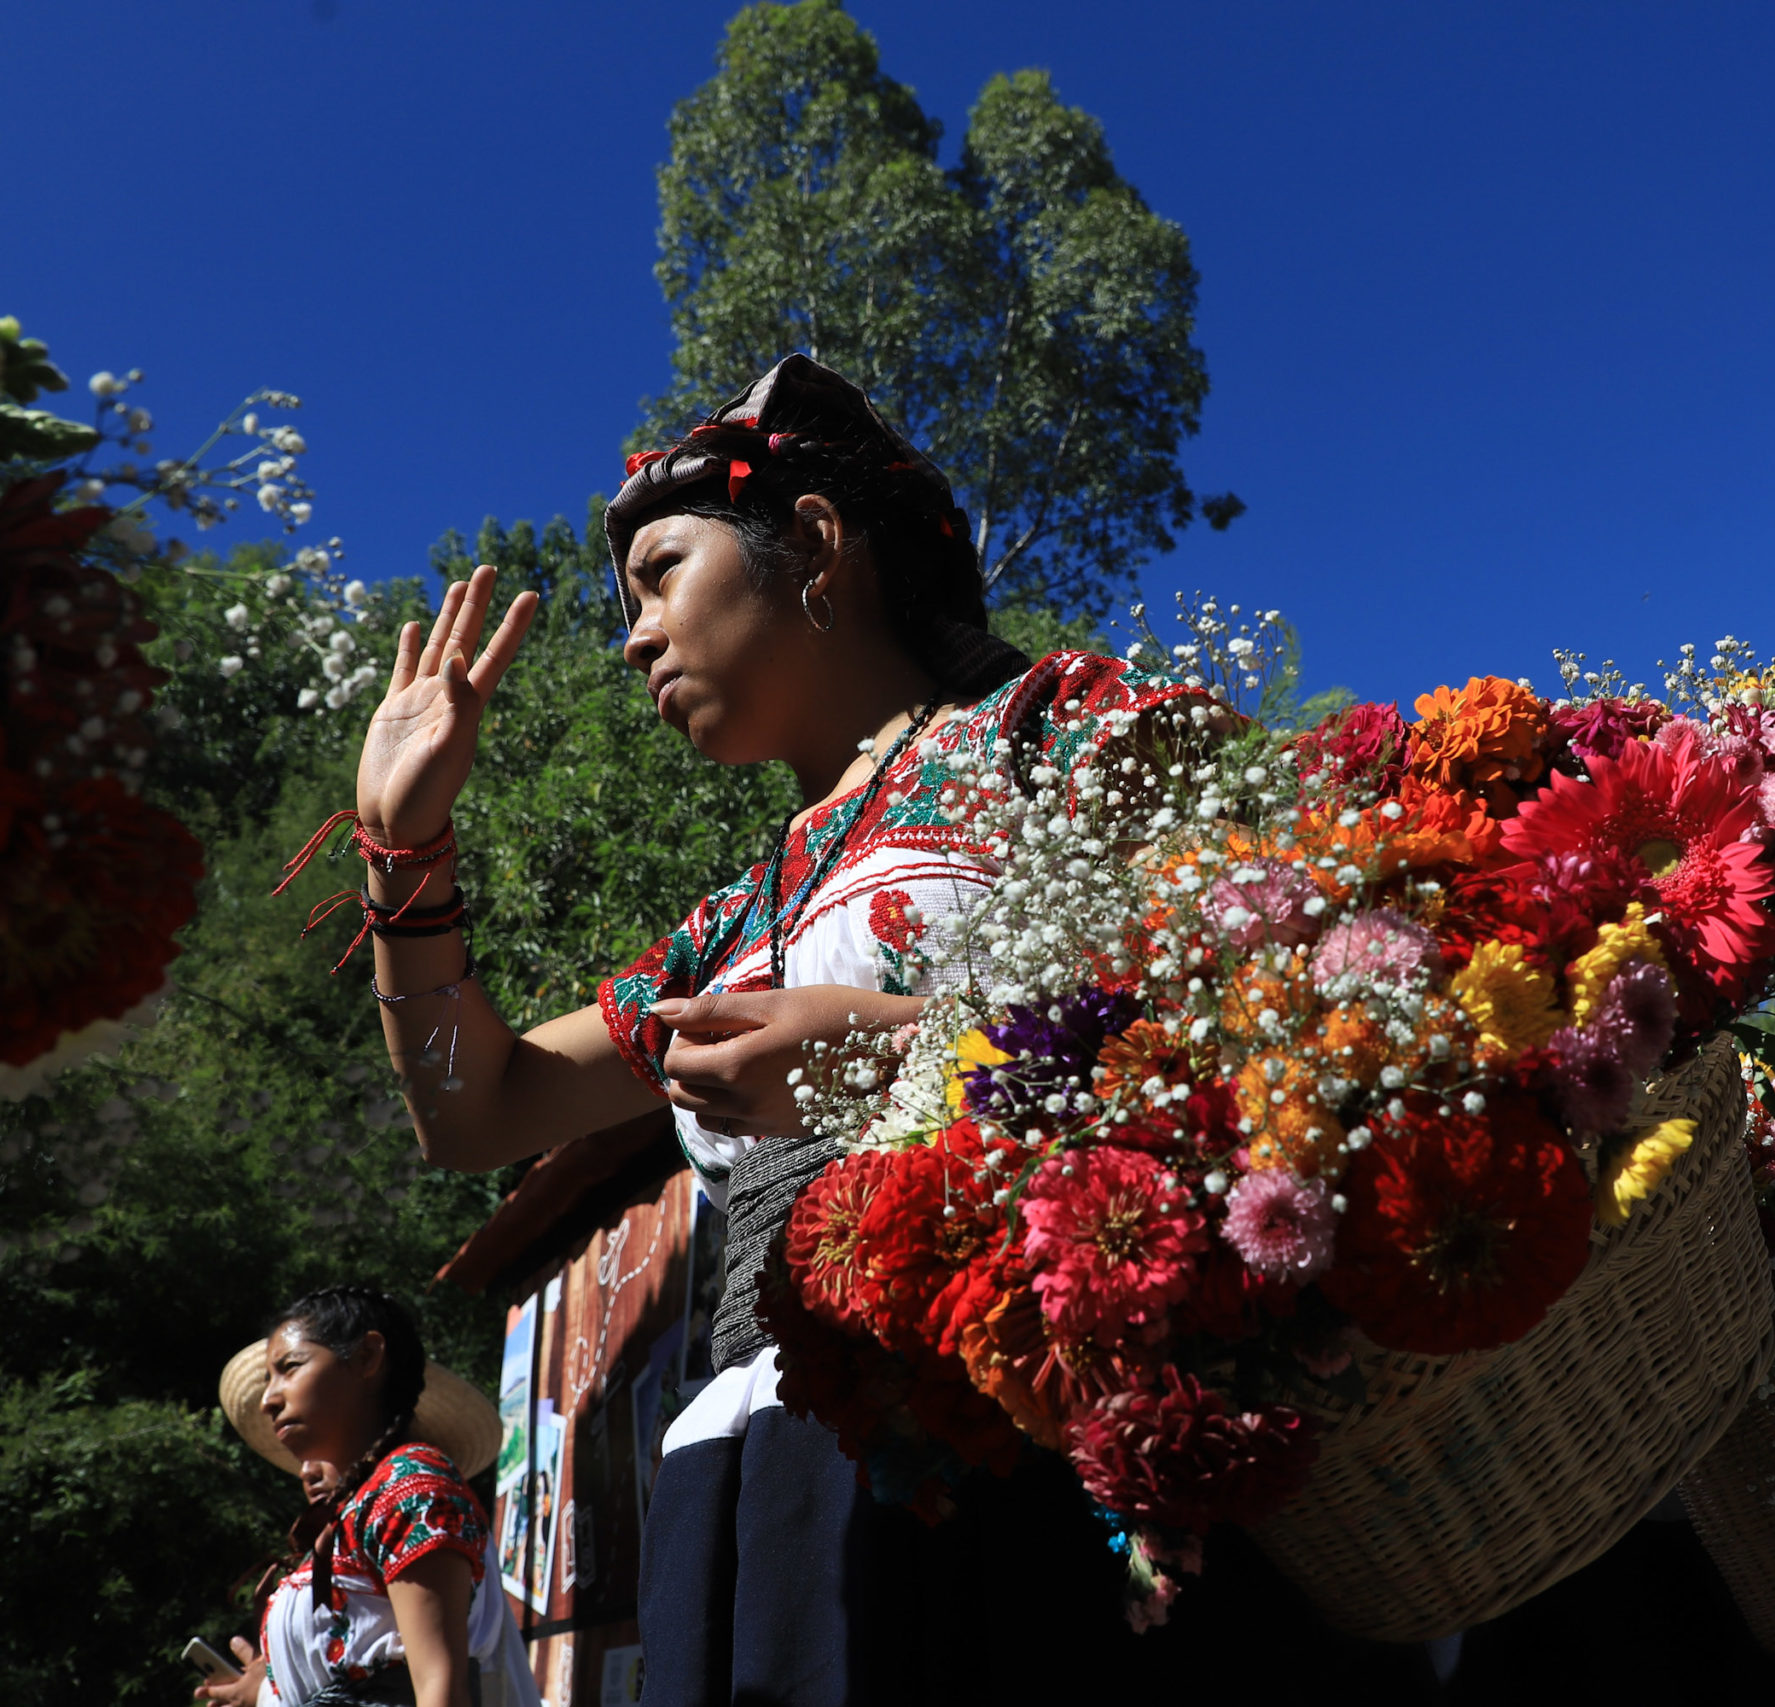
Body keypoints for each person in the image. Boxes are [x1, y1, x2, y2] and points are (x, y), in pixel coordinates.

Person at [335, 354, 1437, 1701]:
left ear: (811, 542)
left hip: (1024, 1408)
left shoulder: (1059, 727)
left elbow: (1280, 982)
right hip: (755, 1452)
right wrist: (405, 852)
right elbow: (472, 1103)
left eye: (662, 573)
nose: (631, 637)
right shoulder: (731, 921)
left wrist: (901, 1045)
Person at [206, 1287, 530, 1707]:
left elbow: (440, 1690)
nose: (269, 1399)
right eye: (269, 1378)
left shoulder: (413, 1484)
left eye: (290, 1367)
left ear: (367, 1358)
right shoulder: (362, 1509)